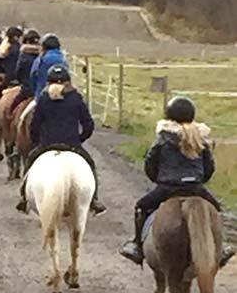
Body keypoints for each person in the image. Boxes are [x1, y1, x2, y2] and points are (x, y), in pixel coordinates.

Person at [119, 96, 235, 267]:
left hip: (167, 187)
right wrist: (199, 181)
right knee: (217, 210)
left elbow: (150, 164)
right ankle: (222, 246)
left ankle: (137, 245)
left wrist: (158, 180)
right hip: (195, 188)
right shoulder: (200, 138)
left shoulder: (163, 137)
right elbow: (209, 167)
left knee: (141, 206)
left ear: (169, 115)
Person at [16, 64, 107, 216]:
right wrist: (79, 139)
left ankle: (24, 198)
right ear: (68, 81)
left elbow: (34, 125)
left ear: (49, 82)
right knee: (90, 164)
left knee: (30, 160)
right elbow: (88, 125)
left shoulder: (44, 99)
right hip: (72, 145)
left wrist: (37, 141)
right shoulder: (76, 98)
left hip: (47, 145)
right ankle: (94, 200)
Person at [9, 28, 41, 115]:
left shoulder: (23, 56)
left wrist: (20, 81)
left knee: (14, 104)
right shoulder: (42, 56)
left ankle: (9, 116)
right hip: (41, 90)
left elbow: (18, 72)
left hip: (27, 90)